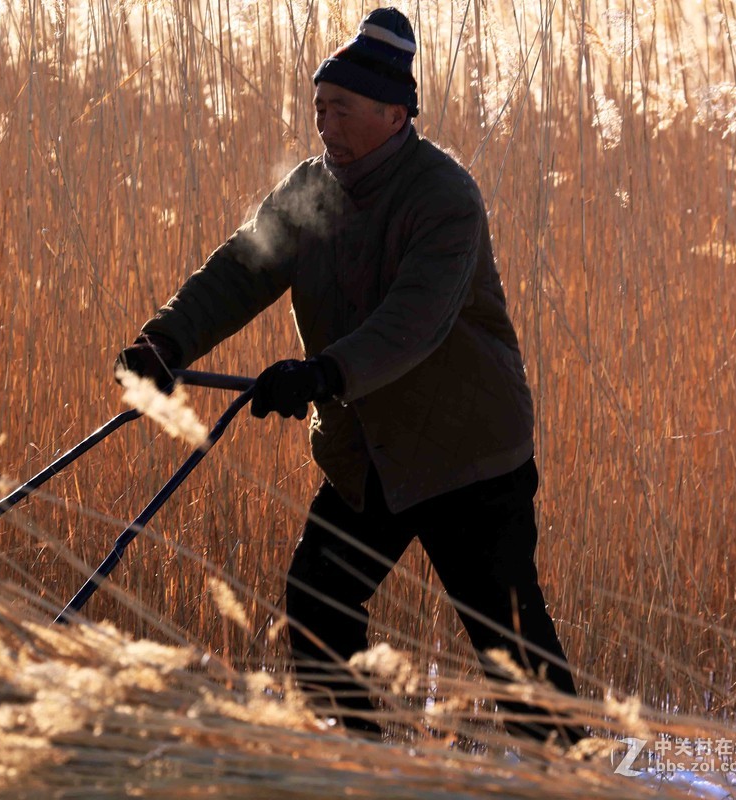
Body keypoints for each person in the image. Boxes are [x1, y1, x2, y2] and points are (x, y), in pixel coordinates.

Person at [116, 7, 584, 746]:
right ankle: (363, 762)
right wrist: (165, 339)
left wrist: (321, 374)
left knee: (512, 648)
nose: (323, 122)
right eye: (318, 106)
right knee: (319, 605)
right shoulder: (309, 191)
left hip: (466, 456)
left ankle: (571, 774)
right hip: (365, 455)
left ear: (394, 113)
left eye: (340, 108)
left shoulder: (445, 198)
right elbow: (240, 269)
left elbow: (413, 324)